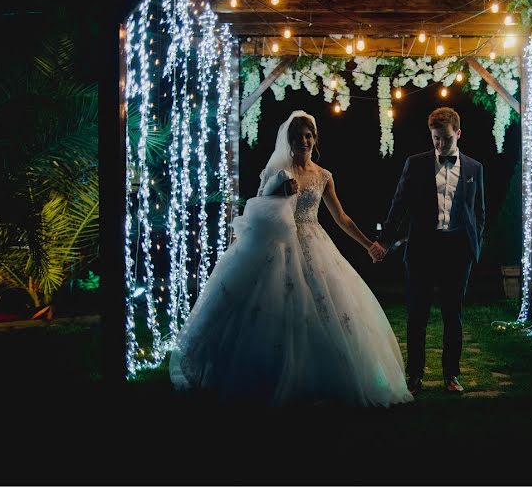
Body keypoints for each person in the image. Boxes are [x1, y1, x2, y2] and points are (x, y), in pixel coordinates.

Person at [170, 110, 412, 407]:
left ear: (315, 139)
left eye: (309, 136)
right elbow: (255, 208)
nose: (304, 141)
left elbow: (341, 218)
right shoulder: (277, 172)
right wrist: (278, 191)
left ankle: (323, 379)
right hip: (280, 247)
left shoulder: (324, 176)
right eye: (298, 137)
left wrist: (368, 244)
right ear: (290, 141)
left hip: (315, 243)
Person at [371, 107, 485, 395]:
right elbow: (398, 206)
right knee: (416, 315)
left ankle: (451, 376)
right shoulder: (415, 164)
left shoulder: (474, 168)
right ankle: (414, 375)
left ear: (458, 133)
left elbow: (479, 212)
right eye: (435, 138)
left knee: (452, 315)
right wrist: (384, 240)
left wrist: (474, 247)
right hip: (422, 250)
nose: (439, 144)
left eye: (445, 138)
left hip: (458, 252)